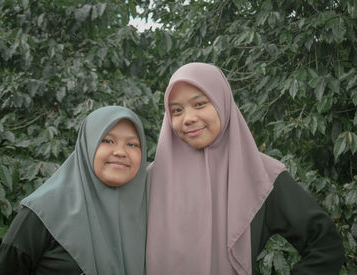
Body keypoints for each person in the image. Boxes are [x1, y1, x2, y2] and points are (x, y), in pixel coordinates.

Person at [146, 62, 344, 275]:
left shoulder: (261, 174)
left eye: (200, 104)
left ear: (222, 102)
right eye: (177, 110)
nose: (188, 118)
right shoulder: (152, 179)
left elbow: (325, 244)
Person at [0, 106, 147, 275]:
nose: (120, 152)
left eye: (132, 144)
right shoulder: (42, 213)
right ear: (87, 145)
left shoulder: (147, 213)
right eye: (107, 141)